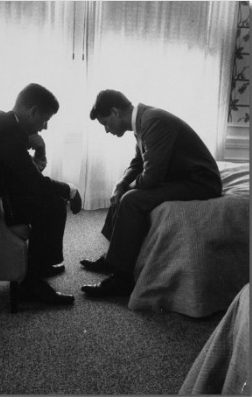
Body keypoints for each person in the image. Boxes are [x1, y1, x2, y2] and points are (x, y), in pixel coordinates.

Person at [80, 89, 222, 298]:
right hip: (180, 176)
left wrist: (126, 190)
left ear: (115, 112)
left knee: (131, 199)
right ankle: (112, 258)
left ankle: (122, 279)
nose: (107, 131)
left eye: (105, 124)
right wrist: (120, 184)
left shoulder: (153, 121)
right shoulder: (143, 121)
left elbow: (151, 178)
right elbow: (138, 162)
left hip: (200, 181)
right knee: (122, 192)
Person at [0, 83, 82, 306]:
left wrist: (39, 151)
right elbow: (34, 183)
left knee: (49, 201)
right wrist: (70, 190)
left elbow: (23, 177)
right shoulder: (6, 133)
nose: (45, 127)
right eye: (45, 120)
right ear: (32, 111)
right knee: (52, 205)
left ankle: (39, 267)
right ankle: (32, 285)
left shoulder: (7, 127)